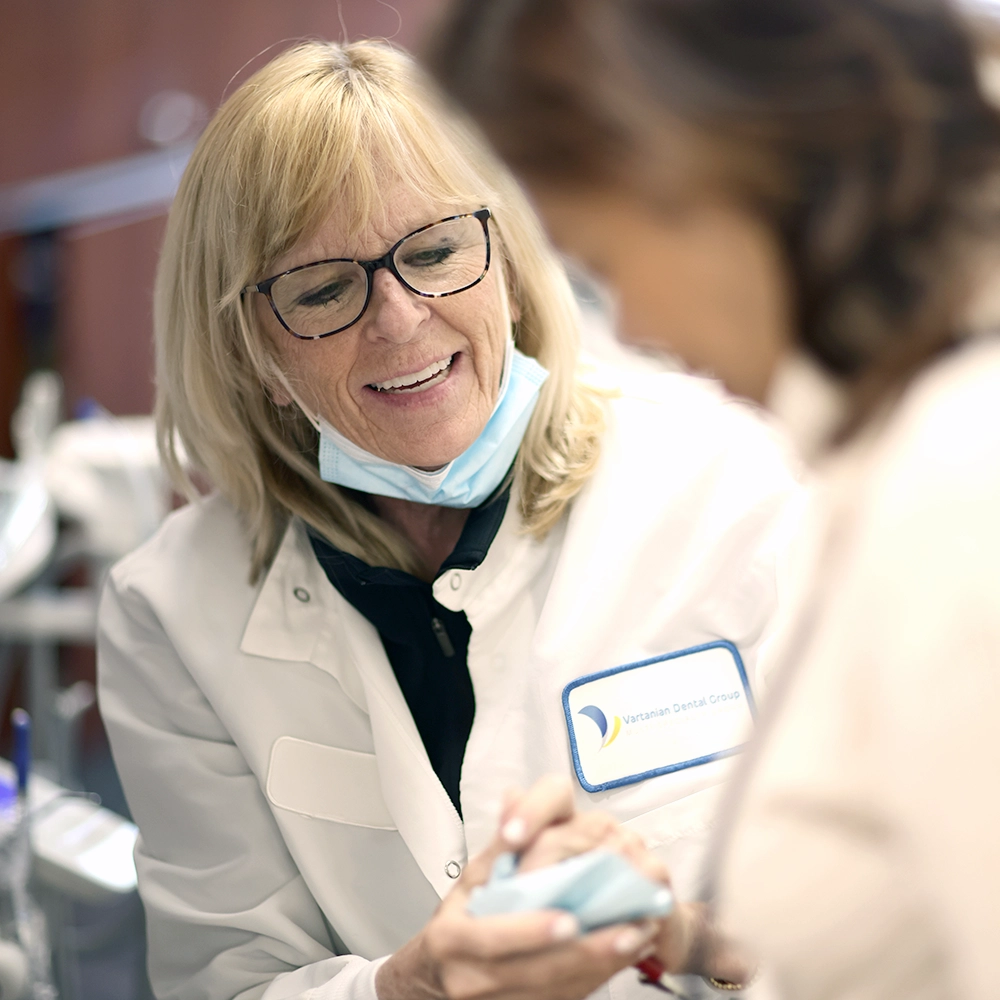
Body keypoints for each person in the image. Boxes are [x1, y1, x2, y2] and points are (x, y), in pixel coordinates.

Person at [96, 38, 800, 1000]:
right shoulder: (171, 612)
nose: (398, 318)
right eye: (324, 289)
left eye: (433, 252)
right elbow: (227, 982)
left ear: (506, 260)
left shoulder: (731, 488)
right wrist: (409, 985)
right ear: (249, 348)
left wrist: (678, 934)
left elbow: (902, 915)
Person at [430, 0, 1000, 997]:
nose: (636, 325)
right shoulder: (889, 450)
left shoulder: (957, 483)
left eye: (601, 262)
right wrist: (670, 930)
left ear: (701, 160)